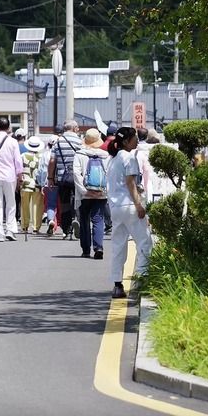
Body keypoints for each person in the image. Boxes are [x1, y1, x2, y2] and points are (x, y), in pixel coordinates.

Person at [106, 127, 153, 302]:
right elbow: (130, 183)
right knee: (145, 242)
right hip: (129, 206)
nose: (137, 141)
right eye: (134, 138)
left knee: (118, 246)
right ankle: (141, 281)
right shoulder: (129, 157)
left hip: (115, 207)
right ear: (126, 141)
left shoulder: (113, 159)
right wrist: (139, 205)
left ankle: (117, 284)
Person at [72, 128, 109, 259]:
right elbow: (109, 175)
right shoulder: (106, 156)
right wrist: (105, 191)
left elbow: (76, 174)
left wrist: (84, 191)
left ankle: (86, 249)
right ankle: (98, 247)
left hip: (84, 195)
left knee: (84, 220)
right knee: (98, 220)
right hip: (101, 193)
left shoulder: (79, 154)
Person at [47, 120, 83, 240]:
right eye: (77, 127)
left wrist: (50, 178)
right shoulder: (79, 141)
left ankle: (66, 229)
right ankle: (77, 220)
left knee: (64, 203)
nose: (78, 129)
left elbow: (52, 161)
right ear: (74, 128)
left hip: (62, 177)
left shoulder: (58, 142)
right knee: (78, 201)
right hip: (77, 177)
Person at [20, 136, 44, 233]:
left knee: (25, 205)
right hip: (37, 183)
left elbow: (19, 169)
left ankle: (25, 225)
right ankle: (36, 226)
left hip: (25, 183)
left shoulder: (23, 156)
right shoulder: (41, 157)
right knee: (37, 205)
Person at [39, 135, 59, 235]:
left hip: (49, 182)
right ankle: (64, 227)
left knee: (50, 204)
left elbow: (42, 170)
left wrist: (42, 183)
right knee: (62, 205)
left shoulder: (45, 154)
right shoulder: (60, 152)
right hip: (61, 181)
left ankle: (50, 220)